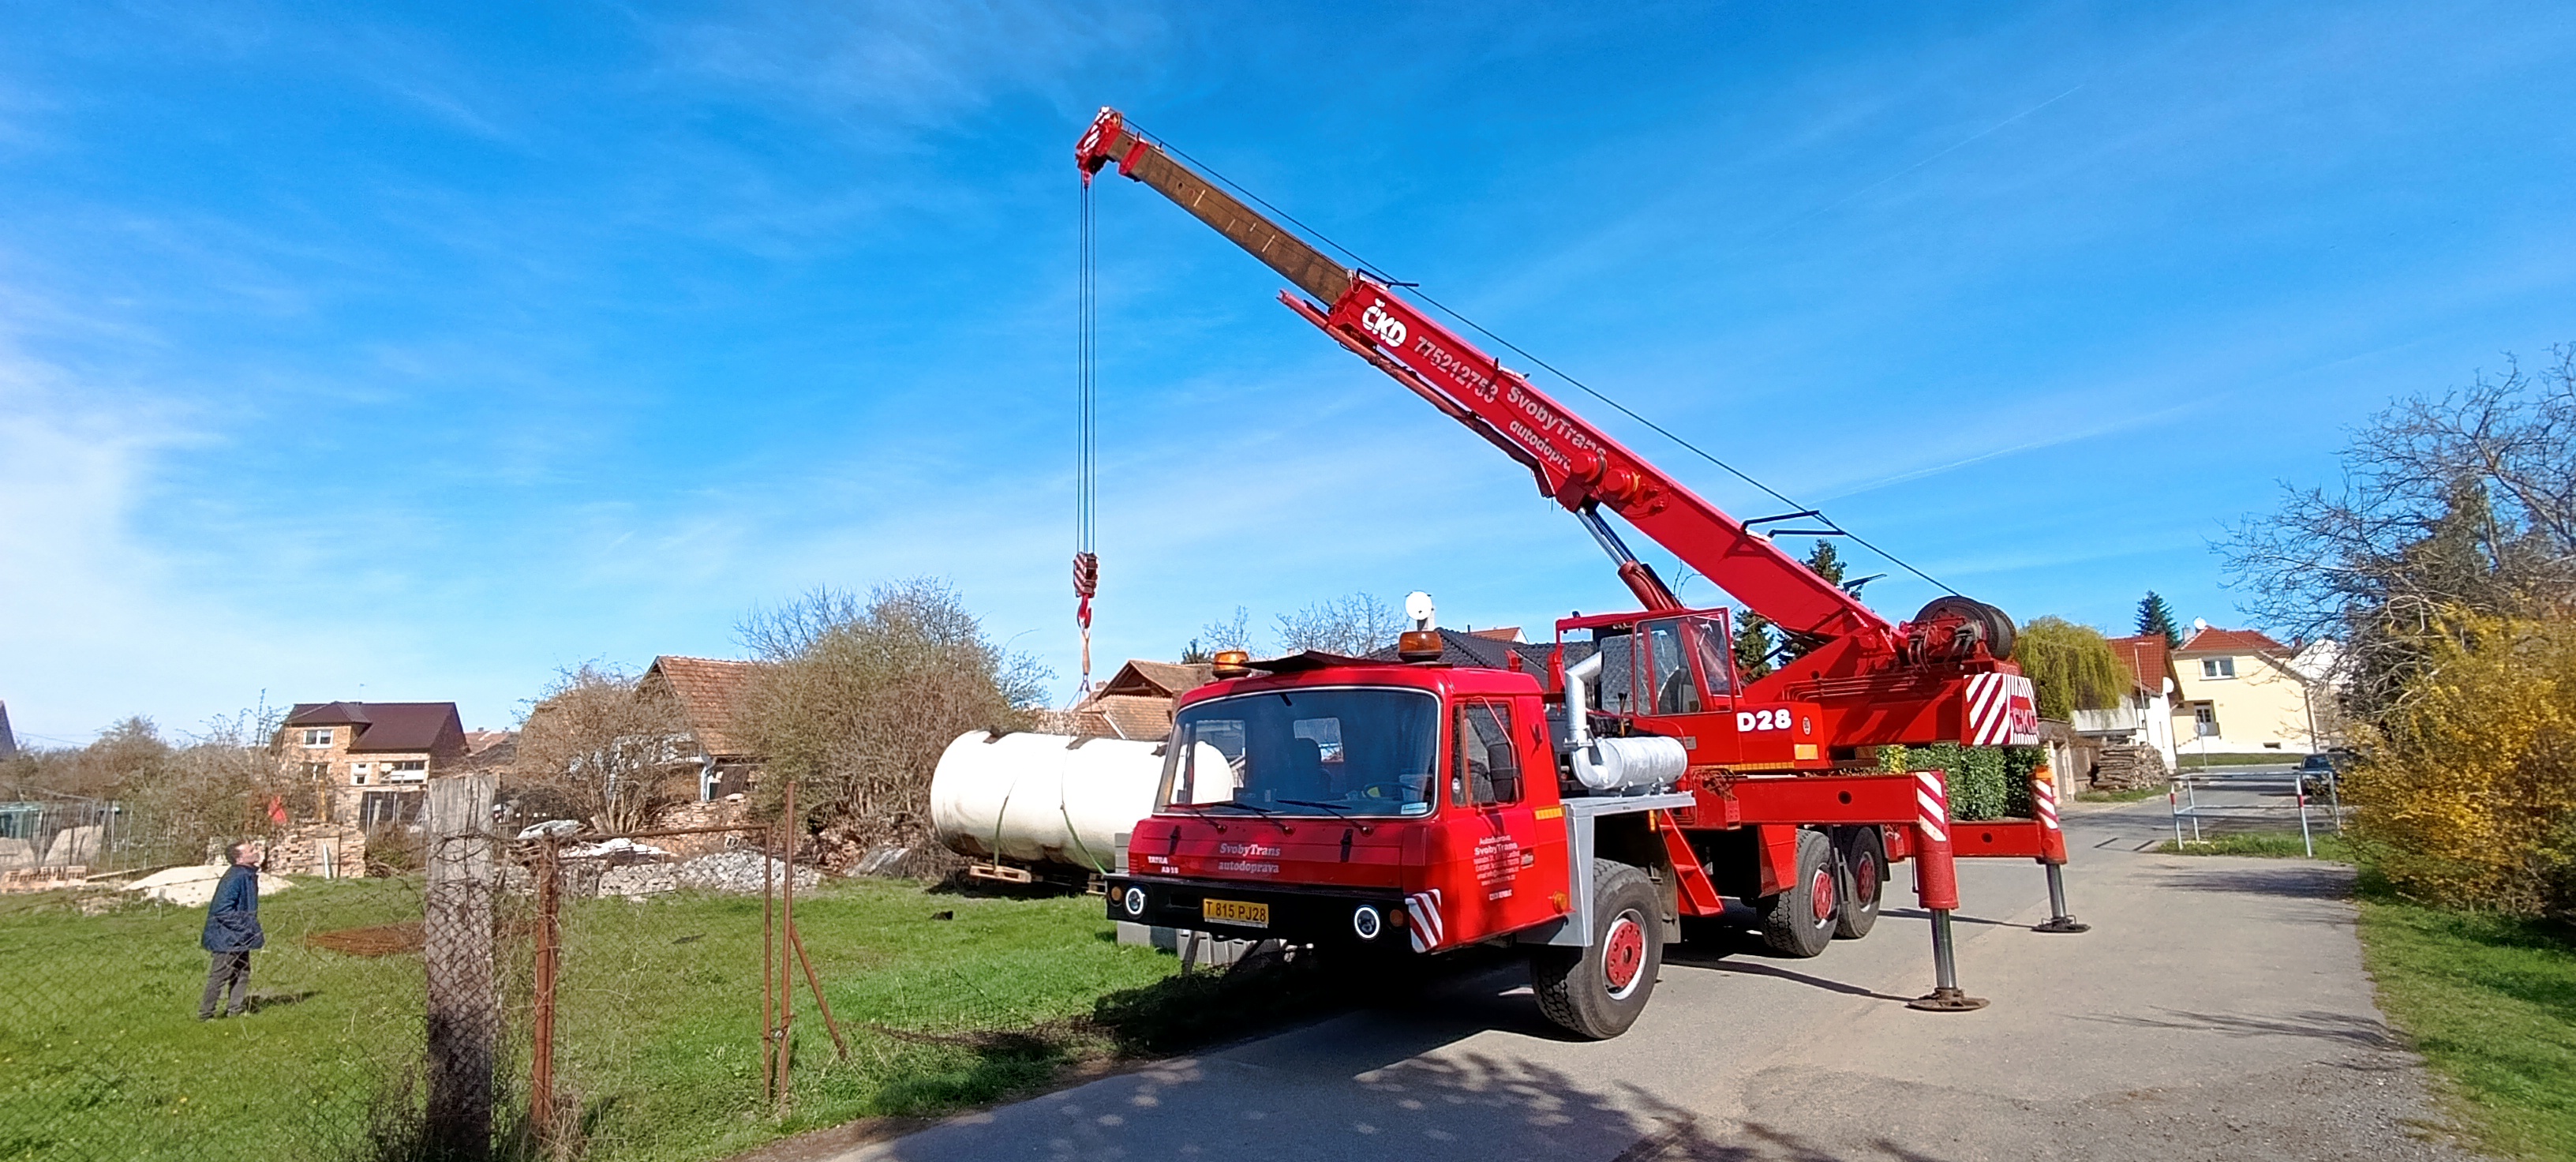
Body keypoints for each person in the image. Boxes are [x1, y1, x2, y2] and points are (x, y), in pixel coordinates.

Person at [199, 841, 265, 1019]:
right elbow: (222, 910)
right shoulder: (235, 877)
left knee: (242, 972)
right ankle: (206, 1014)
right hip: (227, 935)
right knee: (220, 975)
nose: (256, 851)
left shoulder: (247, 874)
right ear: (240, 859)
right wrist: (245, 928)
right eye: (251, 850)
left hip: (239, 935)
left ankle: (235, 1010)